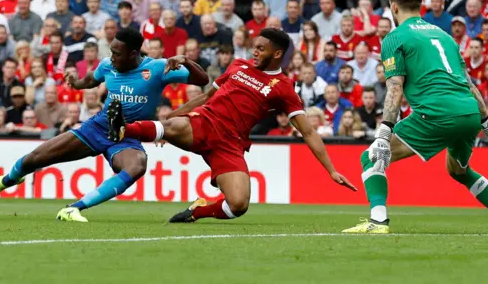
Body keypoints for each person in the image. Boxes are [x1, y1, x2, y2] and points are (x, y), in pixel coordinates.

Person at [108, 28, 356, 223]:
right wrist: (171, 117)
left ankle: (198, 212)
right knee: (173, 126)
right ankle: (122, 129)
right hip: (205, 122)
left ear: (277, 54)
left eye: (261, 48)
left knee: (238, 205)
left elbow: (308, 131)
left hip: (230, 144)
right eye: (254, 47)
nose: (254, 52)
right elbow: (206, 97)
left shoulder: (283, 87)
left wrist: (331, 170)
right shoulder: (238, 65)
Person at [342, 0, 488, 235]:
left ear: (393, 8)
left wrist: (384, 134)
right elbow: (470, 85)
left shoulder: (394, 37)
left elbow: (395, 87)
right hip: (469, 112)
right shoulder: (446, 37)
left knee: (370, 157)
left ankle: (379, 222)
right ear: (420, 6)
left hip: (437, 113)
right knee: (459, 171)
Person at [0, 27, 210, 222]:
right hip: (98, 127)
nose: (111, 56)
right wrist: (76, 83)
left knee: (137, 166)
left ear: (133, 53)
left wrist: (186, 61)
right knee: (36, 159)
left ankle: (73, 209)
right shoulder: (107, 65)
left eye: (116, 53)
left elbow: (203, 81)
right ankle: (9, 179)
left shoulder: (158, 68)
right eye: (111, 51)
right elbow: (91, 80)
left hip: (128, 134)